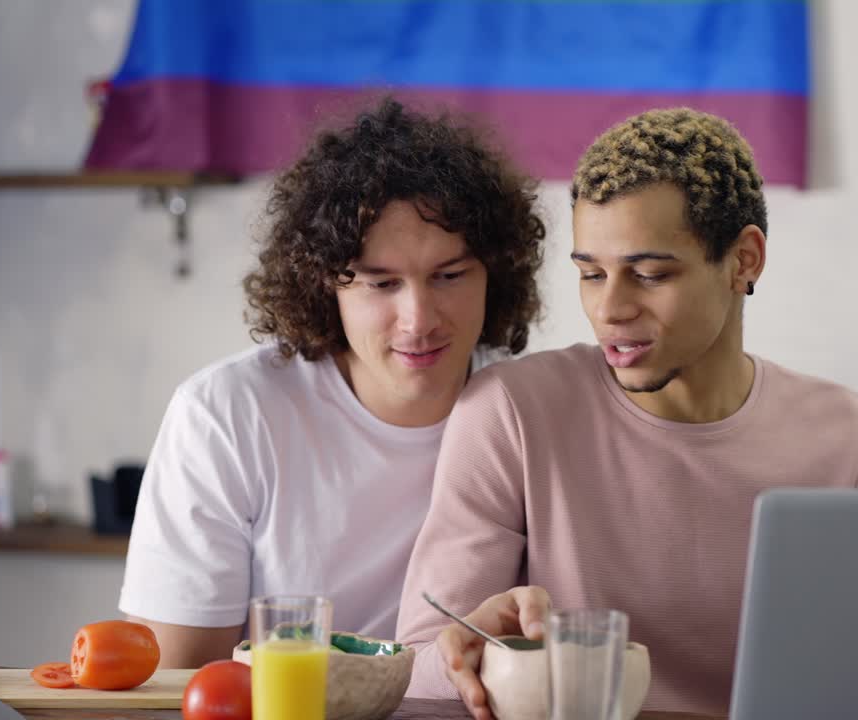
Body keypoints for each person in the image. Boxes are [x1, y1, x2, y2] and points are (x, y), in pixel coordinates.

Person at [395, 107, 858, 718]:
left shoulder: (844, 434)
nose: (610, 308)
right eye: (591, 274)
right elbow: (420, 668)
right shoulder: (512, 413)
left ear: (744, 259)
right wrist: (463, 655)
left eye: (650, 273)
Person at [118, 98, 546, 669]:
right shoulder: (225, 414)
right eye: (380, 283)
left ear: (496, 272)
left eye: (449, 275)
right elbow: (178, 683)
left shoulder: (533, 411)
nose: (418, 320)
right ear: (326, 285)